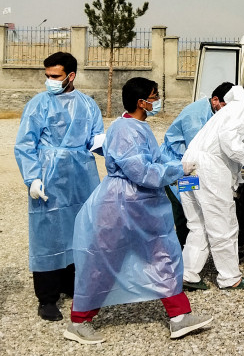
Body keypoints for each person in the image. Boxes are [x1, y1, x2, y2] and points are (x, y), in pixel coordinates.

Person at [66, 77, 212, 344]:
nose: (157, 101)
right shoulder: (125, 129)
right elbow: (141, 171)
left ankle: (179, 316)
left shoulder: (138, 126)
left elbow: (154, 160)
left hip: (141, 205)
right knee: (105, 261)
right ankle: (78, 321)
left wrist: (178, 169)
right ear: (141, 102)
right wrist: (178, 170)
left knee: (163, 255)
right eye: (154, 96)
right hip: (121, 204)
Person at [14, 52, 104, 322]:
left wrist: (112, 149)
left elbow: (96, 138)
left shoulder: (88, 105)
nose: (49, 81)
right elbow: (25, 143)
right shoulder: (38, 104)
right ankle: (47, 298)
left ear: (71, 76)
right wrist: (32, 178)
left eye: (55, 76)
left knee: (79, 228)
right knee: (48, 233)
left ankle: (72, 284)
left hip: (81, 176)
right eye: (47, 76)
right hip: (48, 175)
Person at [180, 80, 244, 291]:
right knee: (224, 226)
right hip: (208, 171)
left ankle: (187, 273)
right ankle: (230, 278)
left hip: (187, 167)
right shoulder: (242, 110)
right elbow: (230, 143)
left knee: (197, 224)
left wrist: (236, 179)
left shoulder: (226, 111)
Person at [161, 82, 234, 246]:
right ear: (215, 100)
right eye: (225, 106)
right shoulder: (195, 117)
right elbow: (198, 151)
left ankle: (194, 248)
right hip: (177, 166)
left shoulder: (211, 112)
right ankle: (182, 252)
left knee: (195, 208)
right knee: (184, 209)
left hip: (190, 166)